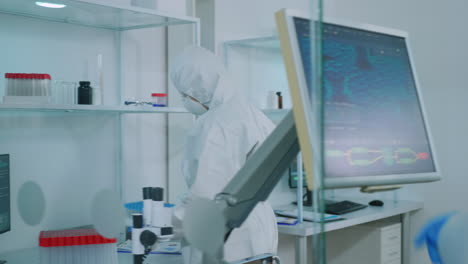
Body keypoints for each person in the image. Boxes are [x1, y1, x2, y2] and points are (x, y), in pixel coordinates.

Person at [170, 46, 278, 263]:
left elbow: (207, 194)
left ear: (200, 88)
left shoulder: (215, 125)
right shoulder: (250, 112)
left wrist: (168, 222)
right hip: (260, 231)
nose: (184, 100)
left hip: (231, 242)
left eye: (184, 94)